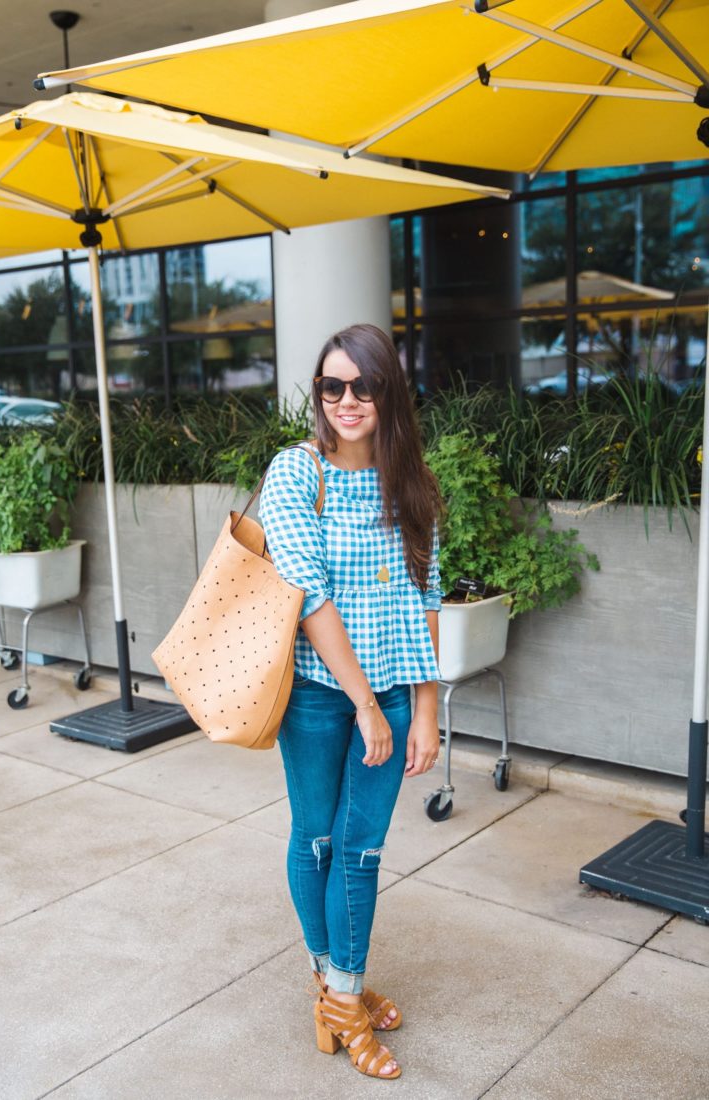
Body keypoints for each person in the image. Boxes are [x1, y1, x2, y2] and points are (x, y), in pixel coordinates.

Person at [258, 323, 442, 1080]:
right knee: (317, 840)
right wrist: (364, 704)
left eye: (362, 385)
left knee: (360, 851)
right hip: (317, 698)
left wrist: (424, 709)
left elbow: (429, 593)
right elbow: (307, 594)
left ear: (387, 390)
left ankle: (340, 991)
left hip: (395, 692)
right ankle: (339, 994)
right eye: (331, 386)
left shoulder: (412, 483)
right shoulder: (297, 473)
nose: (346, 400)